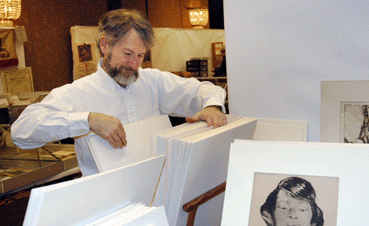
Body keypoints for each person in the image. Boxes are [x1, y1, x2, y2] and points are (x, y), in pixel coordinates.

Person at [11, 9, 227, 176]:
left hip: (155, 188)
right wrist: (88, 120)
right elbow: (21, 132)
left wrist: (211, 106)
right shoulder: (78, 93)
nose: (134, 64)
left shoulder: (152, 81)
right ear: (105, 45)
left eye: (140, 55)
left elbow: (205, 90)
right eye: (128, 53)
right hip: (106, 202)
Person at [259, 177, 327, 226]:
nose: (293, 215)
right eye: (284, 207)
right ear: (272, 214)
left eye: (302, 209)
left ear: (313, 216)